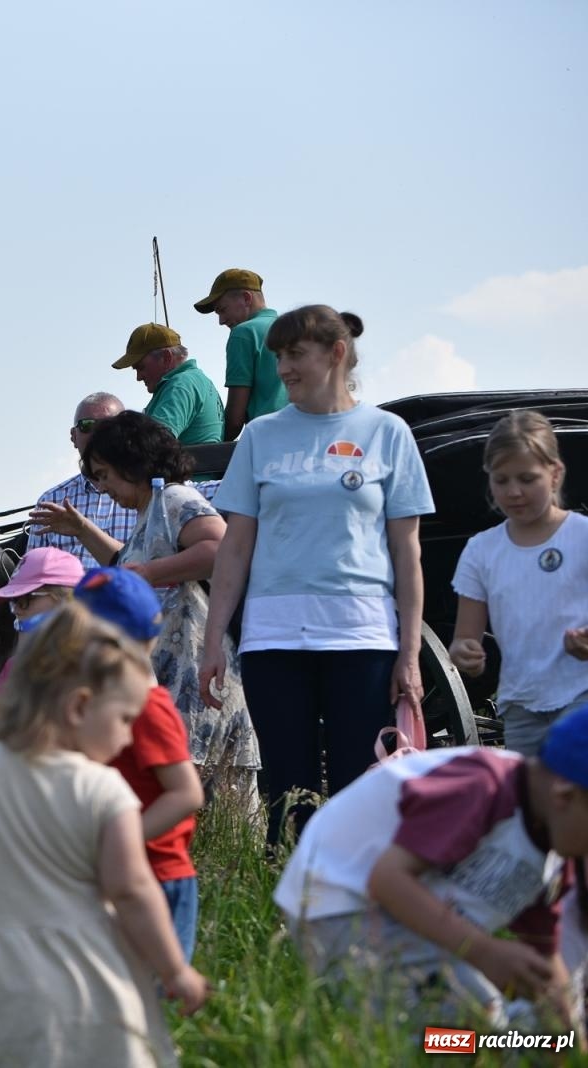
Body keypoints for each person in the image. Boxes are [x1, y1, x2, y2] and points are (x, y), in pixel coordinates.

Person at [0, 602, 208, 1067]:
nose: (128, 737)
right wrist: (175, 969)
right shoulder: (102, 788)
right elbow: (130, 889)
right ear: (80, 707)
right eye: (124, 719)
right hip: (81, 967)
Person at [199, 308, 434, 845]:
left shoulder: (387, 433)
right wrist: (214, 640)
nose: (282, 368)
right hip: (273, 638)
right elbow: (235, 547)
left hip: (364, 636)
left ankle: (361, 908)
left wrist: (410, 653)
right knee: (286, 789)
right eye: (277, 356)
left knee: (361, 785)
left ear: (336, 354)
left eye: (295, 354)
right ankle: (287, 911)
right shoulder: (261, 436)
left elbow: (407, 552)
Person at [274, 702, 588, 1030]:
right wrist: (484, 952)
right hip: (340, 896)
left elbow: (547, 967)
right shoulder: (486, 786)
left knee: (488, 1029)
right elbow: (386, 880)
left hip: (405, 918)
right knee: (465, 1028)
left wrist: (571, 1045)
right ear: (565, 796)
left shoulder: (550, 858)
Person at [43, 411, 258, 802]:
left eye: (105, 475)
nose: (104, 488)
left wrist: (150, 572)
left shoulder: (174, 498)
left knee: (197, 797)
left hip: (194, 674)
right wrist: (82, 530)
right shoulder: (149, 513)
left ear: (132, 462)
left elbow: (219, 547)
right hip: (171, 675)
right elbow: (127, 565)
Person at [74, 567, 205, 962]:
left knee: (156, 990)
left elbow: (186, 794)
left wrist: (123, 839)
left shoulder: (148, 707)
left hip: (159, 874)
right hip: (115, 872)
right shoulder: (100, 703)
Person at [450, 411, 588, 758]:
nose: (513, 492)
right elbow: (464, 640)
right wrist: (467, 654)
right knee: (532, 807)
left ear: (555, 473)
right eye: (501, 480)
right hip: (521, 706)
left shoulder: (583, 536)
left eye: (527, 479)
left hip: (582, 696)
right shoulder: (481, 550)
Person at [27, 392, 135, 570]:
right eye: (87, 426)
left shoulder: (149, 494)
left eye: (108, 426)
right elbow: (33, 577)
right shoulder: (51, 501)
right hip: (71, 598)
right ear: (73, 436)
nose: (98, 434)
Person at [193, 268, 283, 439]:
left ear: (246, 298)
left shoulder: (243, 333)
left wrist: (211, 447)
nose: (221, 321)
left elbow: (235, 419)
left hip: (267, 440)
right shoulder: (290, 328)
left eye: (222, 309)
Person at [0, 546, 85, 692]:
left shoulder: (97, 666)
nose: (16, 609)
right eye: (13, 600)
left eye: (24, 599)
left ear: (66, 600)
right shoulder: (14, 667)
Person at [112, 324, 225, 446]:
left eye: (140, 367)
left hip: (195, 464)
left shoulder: (180, 386)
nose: (138, 377)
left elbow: (155, 442)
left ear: (166, 357)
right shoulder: (198, 380)